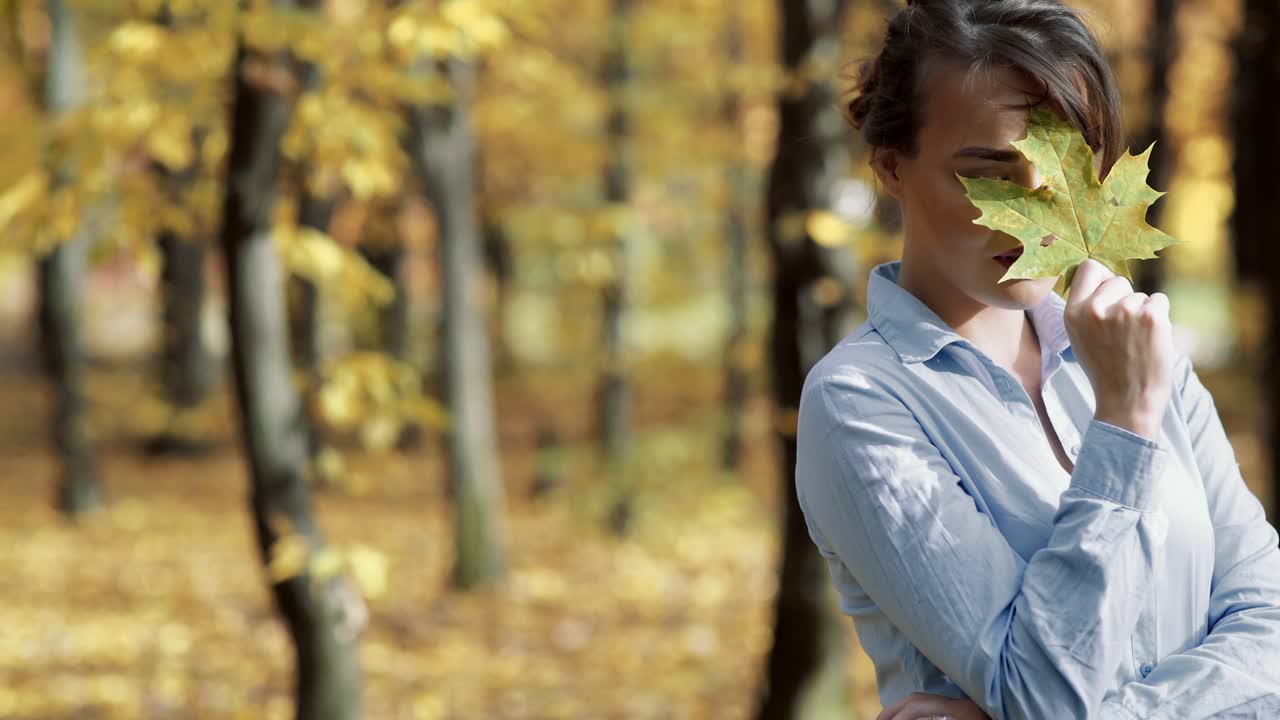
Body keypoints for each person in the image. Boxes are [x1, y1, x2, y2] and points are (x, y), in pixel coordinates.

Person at [793, 1, 1280, 719]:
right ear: (891, 167)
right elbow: (1045, 695)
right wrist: (1125, 427)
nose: (1034, 210)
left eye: (1064, 173)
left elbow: (1268, 623)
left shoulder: (1144, 351)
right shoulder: (860, 402)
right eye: (986, 173)